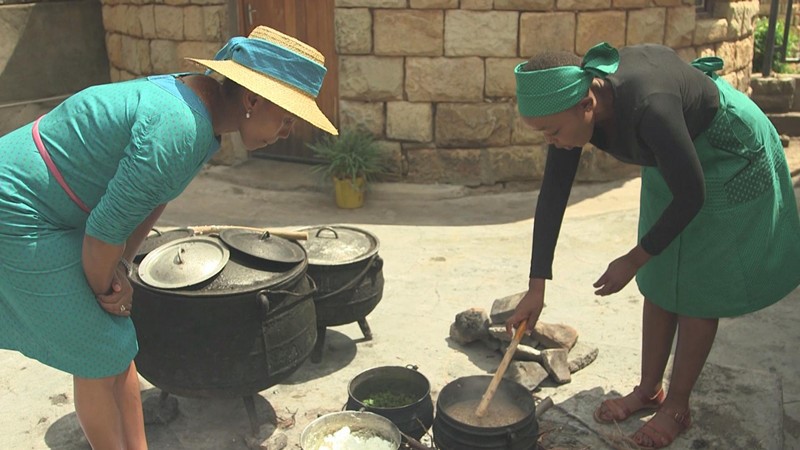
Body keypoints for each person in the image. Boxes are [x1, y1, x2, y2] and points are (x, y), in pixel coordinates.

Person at [0, 25, 337, 449]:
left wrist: (122, 265)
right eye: (287, 118)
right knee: (98, 347)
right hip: (16, 208)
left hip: (58, 207)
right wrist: (110, 289)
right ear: (252, 99)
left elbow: (151, 198)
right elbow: (102, 234)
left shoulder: (201, 111)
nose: (287, 131)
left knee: (118, 343)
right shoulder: (180, 127)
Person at [505, 42, 800, 448]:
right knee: (660, 277)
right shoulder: (571, 111)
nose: (551, 142)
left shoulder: (650, 107)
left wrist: (632, 258)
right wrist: (536, 285)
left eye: (552, 132)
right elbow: (553, 193)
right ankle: (648, 389)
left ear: (587, 103)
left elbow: (692, 194)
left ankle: (677, 405)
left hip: (724, 150)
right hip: (674, 154)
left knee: (698, 286)